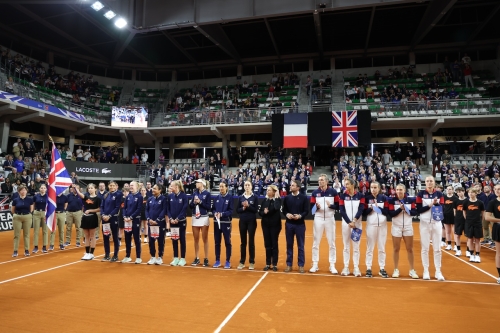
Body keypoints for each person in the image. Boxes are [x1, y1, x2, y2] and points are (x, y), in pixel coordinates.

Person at [416, 176, 445, 281]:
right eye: (427, 181)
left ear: (434, 182)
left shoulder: (439, 194)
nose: (429, 183)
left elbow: (443, 208)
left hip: (437, 223)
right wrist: (430, 205)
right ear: (425, 183)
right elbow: (419, 209)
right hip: (424, 223)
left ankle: (438, 271)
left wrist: (437, 204)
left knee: (437, 248)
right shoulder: (420, 194)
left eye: (431, 181)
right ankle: (426, 270)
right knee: (425, 248)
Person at [309, 174, 339, 274]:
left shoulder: (333, 192)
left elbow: (338, 206)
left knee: (332, 243)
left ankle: (332, 265)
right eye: (319, 180)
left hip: (330, 218)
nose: (320, 182)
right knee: (316, 242)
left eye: (322, 180)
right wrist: (316, 207)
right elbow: (312, 211)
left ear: (326, 181)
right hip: (318, 219)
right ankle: (315, 264)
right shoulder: (314, 193)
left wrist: (331, 206)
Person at [388, 184, 419, 279]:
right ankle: (396, 269)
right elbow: (391, 214)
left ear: (404, 190)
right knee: (396, 249)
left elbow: (414, 213)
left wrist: (405, 208)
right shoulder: (392, 201)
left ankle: (412, 270)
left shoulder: (410, 200)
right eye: (397, 190)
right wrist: (399, 209)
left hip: (408, 227)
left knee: (410, 249)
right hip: (396, 227)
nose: (398, 191)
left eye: (400, 189)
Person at [339, 178, 365, 277]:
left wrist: (354, 221)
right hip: (346, 224)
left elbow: (361, 209)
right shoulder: (342, 196)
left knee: (356, 247)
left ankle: (356, 267)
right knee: (346, 246)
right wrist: (349, 222)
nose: (346, 186)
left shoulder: (360, 196)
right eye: (345, 184)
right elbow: (341, 210)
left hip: (357, 224)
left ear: (353, 185)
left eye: (348, 184)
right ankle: (346, 267)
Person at [282, 179, 309, 273]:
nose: (291, 186)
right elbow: (284, 210)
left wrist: (300, 216)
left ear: (298, 187)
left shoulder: (304, 198)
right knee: (289, 245)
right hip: (289, 224)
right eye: (291, 185)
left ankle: (301, 265)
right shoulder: (287, 198)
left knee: (300, 245)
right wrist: (287, 214)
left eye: (293, 185)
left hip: (300, 225)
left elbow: (306, 211)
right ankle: (289, 264)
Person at [363, 181, 389, 278]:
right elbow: (364, 212)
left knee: (382, 248)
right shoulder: (367, 198)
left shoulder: (384, 198)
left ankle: (382, 268)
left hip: (382, 226)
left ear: (379, 189)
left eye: (375, 187)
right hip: (371, 226)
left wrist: (379, 208)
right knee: (370, 248)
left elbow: (387, 212)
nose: (373, 189)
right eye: (372, 187)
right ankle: (368, 268)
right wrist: (371, 208)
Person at [74, 184, 101, 260]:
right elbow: (81, 195)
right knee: (86, 236)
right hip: (85, 218)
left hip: (93, 217)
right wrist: (77, 189)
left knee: (92, 236)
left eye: (92, 188)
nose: (90, 189)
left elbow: (99, 209)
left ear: (95, 189)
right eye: (89, 188)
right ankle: (87, 253)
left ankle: (91, 253)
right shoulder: (87, 198)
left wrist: (90, 210)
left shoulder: (98, 198)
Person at [259, 185, 282, 271]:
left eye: (269, 190)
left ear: (274, 192)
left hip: (275, 226)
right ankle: (268, 263)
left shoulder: (278, 200)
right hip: (265, 225)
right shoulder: (264, 200)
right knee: (267, 244)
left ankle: (275, 264)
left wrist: (276, 198)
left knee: (274, 244)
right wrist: (264, 212)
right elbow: (260, 212)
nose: (267, 192)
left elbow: (276, 208)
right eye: (267, 190)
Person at [236, 181, 259, 270]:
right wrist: (243, 208)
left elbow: (255, 210)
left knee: (251, 242)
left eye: (248, 185)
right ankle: (242, 261)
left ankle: (251, 262)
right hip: (242, 221)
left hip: (252, 221)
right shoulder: (240, 197)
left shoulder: (255, 197)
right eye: (245, 185)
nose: (247, 186)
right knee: (243, 242)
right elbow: (237, 210)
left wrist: (248, 206)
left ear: (251, 187)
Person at [189, 179, 211, 267]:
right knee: (196, 239)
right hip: (195, 217)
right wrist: (194, 202)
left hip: (204, 217)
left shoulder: (207, 194)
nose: (196, 183)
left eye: (198, 182)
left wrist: (200, 202)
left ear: (202, 184)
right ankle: (197, 258)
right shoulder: (194, 193)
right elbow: (190, 206)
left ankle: (206, 258)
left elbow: (208, 207)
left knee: (205, 238)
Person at [212, 181, 234, 268]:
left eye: (222, 186)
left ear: (226, 187)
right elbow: (213, 209)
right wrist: (215, 213)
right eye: (220, 187)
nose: (221, 188)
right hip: (217, 223)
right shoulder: (216, 197)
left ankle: (228, 261)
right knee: (217, 242)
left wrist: (222, 214)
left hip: (226, 223)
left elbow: (231, 211)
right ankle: (217, 260)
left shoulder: (230, 197)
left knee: (227, 242)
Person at [100, 181, 123, 262]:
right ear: (108, 186)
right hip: (105, 219)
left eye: (113, 185)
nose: (112, 187)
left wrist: (109, 216)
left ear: (116, 186)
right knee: (105, 236)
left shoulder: (118, 194)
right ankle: (107, 254)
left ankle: (115, 255)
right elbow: (101, 206)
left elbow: (117, 207)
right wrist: (103, 215)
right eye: (110, 185)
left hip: (113, 218)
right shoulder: (106, 195)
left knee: (115, 237)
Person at [167, 180, 188, 266]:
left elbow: (184, 208)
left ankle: (182, 258)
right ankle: (175, 258)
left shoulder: (184, 196)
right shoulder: (170, 196)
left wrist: (178, 218)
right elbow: (167, 208)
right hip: (172, 222)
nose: (170, 187)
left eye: (171, 186)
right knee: (174, 239)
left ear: (177, 187)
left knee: (182, 239)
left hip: (181, 222)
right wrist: (171, 218)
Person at [146, 184, 168, 265]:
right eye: (153, 188)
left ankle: (160, 257)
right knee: (151, 240)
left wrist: (158, 220)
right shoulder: (150, 199)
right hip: (151, 223)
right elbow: (146, 210)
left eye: (155, 189)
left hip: (160, 223)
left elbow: (164, 210)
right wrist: (149, 219)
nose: (153, 190)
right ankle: (152, 256)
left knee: (160, 240)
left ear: (160, 190)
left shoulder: (164, 199)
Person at [122, 181, 143, 264]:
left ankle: (138, 257)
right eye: (130, 185)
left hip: (135, 220)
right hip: (127, 221)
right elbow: (124, 208)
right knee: (127, 239)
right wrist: (124, 216)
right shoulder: (128, 196)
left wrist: (131, 217)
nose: (130, 187)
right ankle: (127, 256)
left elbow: (139, 209)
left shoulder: (139, 197)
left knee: (136, 239)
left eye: (132, 185)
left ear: (137, 186)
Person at [463, 188, 485, 263]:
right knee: (470, 239)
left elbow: (483, 213)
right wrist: (468, 220)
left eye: (472, 192)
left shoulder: (480, 203)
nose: (470, 194)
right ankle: (472, 254)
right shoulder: (466, 202)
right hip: (469, 223)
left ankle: (477, 255)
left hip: (477, 223)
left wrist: (480, 221)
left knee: (477, 240)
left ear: (476, 193)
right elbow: (464, 212)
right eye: (469, 192)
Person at [11, 185, 34, 257]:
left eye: (24, 190)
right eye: (21, 190)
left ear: (26, 191)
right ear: (19, 191)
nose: (23, 191)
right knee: (16, 235)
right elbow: (12, 210)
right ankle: (15, 251)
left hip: (27, 217)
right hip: (17, 217)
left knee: (26, 234)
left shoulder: (30, 200)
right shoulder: (15, 200)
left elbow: (31, 209)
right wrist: (16, 215)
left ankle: (26, 250)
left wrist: (27, 214)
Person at [484, 183, 500, 284]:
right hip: (498, 228)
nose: (498, 190)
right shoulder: (492, 202)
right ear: (494, 190)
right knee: (499, 253)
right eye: (496, 189)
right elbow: (487, 217)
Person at [31, 184, 48, 254]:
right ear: (39, 189)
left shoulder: (48, 196)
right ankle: (35, 247)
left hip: (45, 213)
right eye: (41, 188)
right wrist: (34, 211)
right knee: (36, 230)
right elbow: (33, 204)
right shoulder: (35, 196)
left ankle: (44, 247)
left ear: (46, 189)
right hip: (37, 213)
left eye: (44, 188)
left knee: (45, 230)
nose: (43, 189)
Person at [453, 187, 467, 257]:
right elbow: (454, 210)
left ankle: (468, 250)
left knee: (468, 236)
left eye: (460, 192)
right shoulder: (455, 201)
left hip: (466, 221)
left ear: (464, 192)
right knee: (457, 235)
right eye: (457, 192)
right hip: (458, 220)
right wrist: (456, 218)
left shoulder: (467, 200)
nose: (459, 193)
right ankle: (458, 250)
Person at [442, 186, 456, 251]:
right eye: (447, 189)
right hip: (446, 215)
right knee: (447, 231)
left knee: (454, 231)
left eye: (450, 189)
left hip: (453, 216)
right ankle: (449, 244)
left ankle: (456, 245)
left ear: (452, 190)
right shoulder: (444, 197)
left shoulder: (455, 198)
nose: (448, 190)